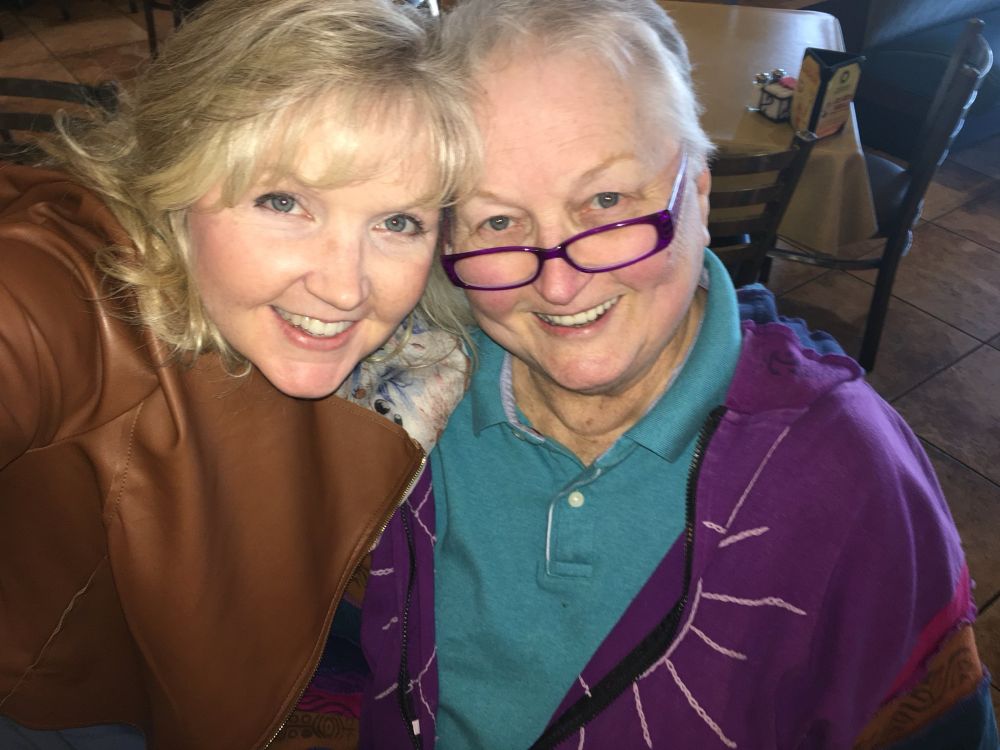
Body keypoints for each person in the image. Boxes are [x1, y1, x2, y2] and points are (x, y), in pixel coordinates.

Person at [404, 0, 998, 747]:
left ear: (701, 194)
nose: (559, 285)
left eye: (608, 202)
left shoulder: (859, 484)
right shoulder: (411, 404)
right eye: (497, 222)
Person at [0, 0, 476, 748]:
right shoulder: (69, 298)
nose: (345, 288)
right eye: (284, 201)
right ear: (177, 174)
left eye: (397, 222)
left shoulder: (440, 337)